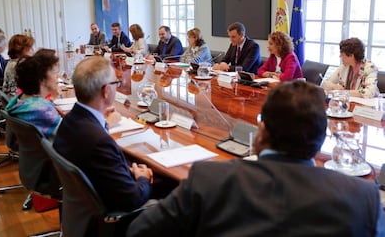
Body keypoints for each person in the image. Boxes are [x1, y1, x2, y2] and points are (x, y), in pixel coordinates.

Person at [127, 81, 384, 237]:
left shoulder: (208, 180)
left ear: (262, 132)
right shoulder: (363, 198)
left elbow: (139, 232)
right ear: (320, 140)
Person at [53, 56, 153, 213]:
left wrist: (127, 170)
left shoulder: (69, 120)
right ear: (106, 91)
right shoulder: (99, 141)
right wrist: (143, 178)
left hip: (83, 207)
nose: (117, 86)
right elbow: (132, 199)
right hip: (113, 214)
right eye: (116, 83)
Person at [6, 49, 62, 139]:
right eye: (54, 72)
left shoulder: (22, 100)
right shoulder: (42, 110)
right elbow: (69, 134)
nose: (58, 76)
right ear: (41, 79)